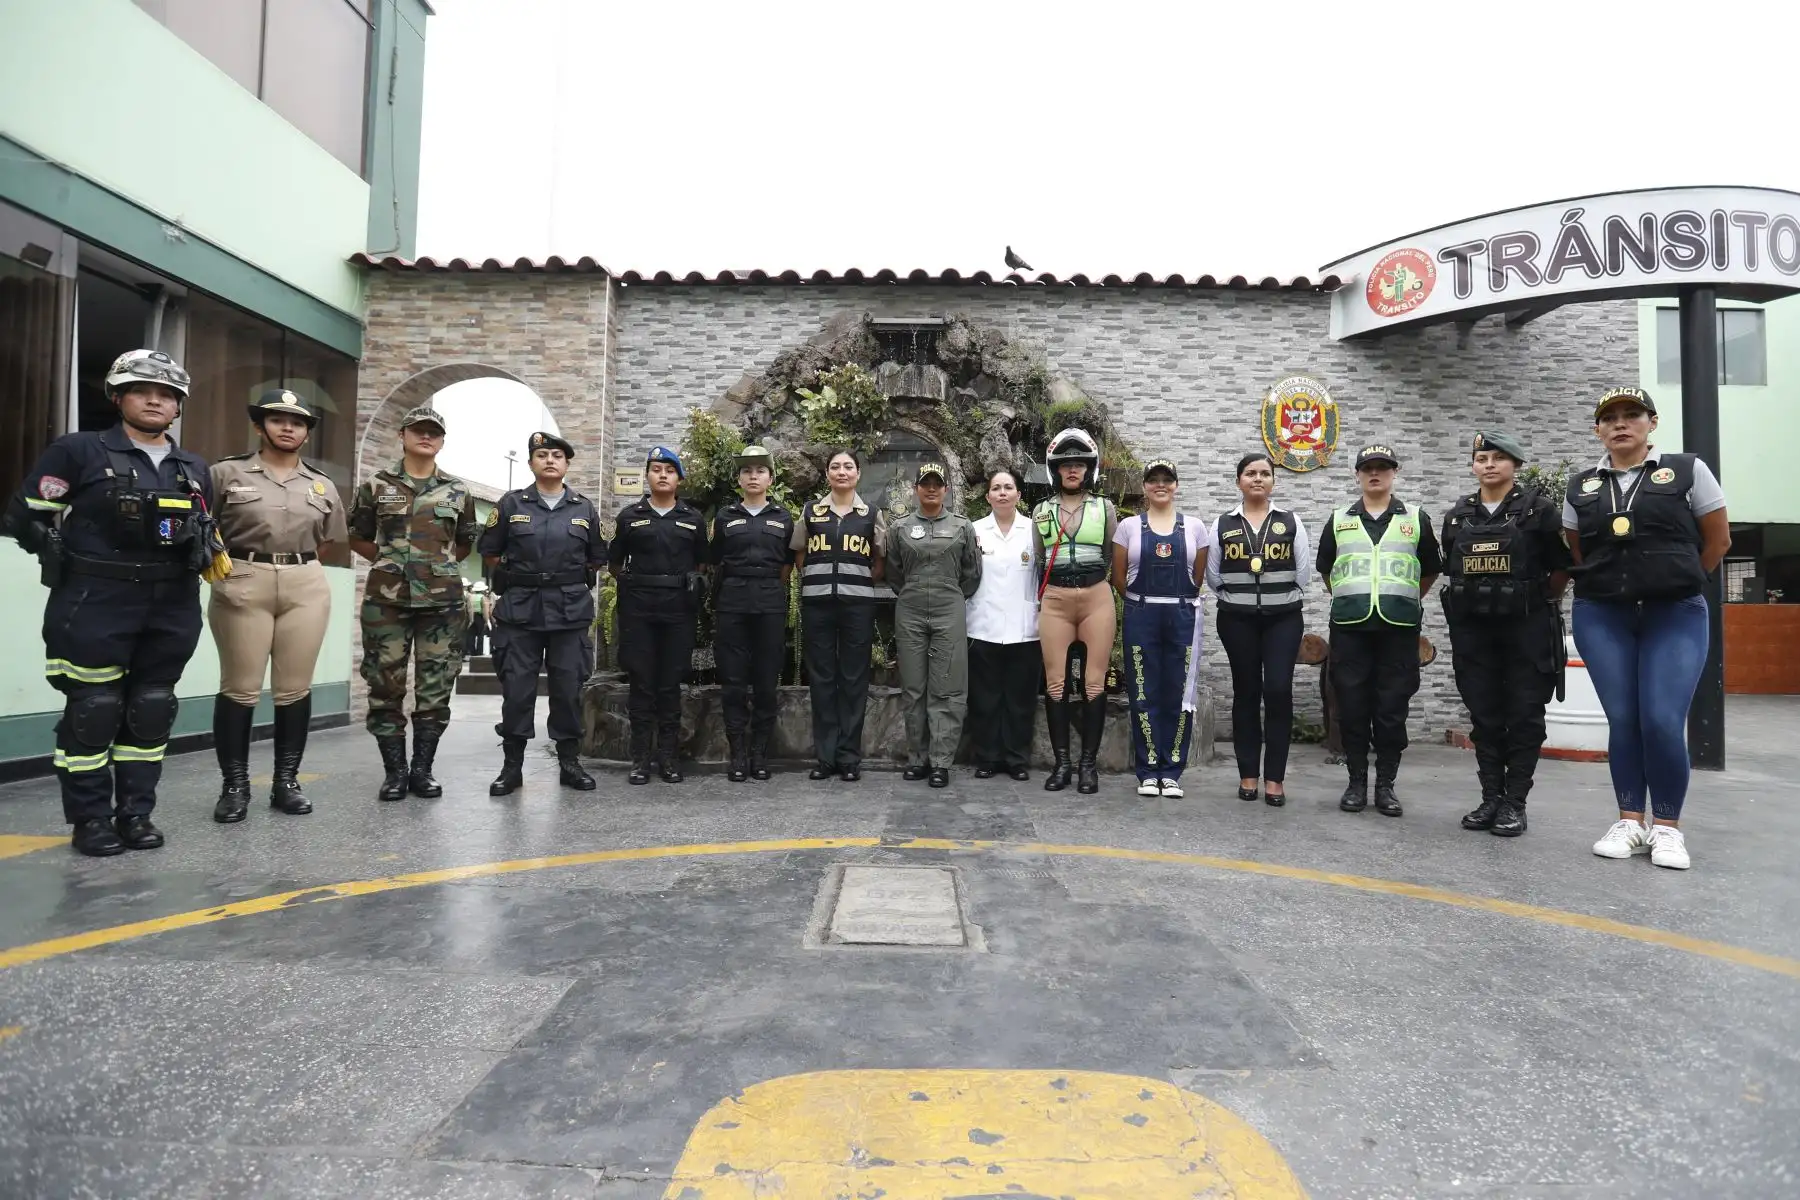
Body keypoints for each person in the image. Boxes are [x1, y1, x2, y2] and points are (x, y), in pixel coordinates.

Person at [1, 349, 218, 856]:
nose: (154, 400)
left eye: (166, 394)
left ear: (178, 406)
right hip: (95, 599)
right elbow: (24, 514)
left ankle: (136, 814)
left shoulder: (194, 468)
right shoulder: (79, 451)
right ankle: (90, 819)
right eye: (142, 390)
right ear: (118, 396)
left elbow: (202, 531)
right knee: (94, 709)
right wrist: (49, 545)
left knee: (151, 707)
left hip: (171, 603)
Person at [1566, 386, 1730, 870]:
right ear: (1597, 429)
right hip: (1603, 613)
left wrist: (1676, 580)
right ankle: (1629, 820)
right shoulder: (1582, 486)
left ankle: (1667, 829)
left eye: (1632, 415)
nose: (1621, 423)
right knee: (1624, 719)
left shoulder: (1686, 471)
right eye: (1610, 417)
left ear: (1651, 423)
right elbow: (1579, 552)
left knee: (1660, 719)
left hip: (1673, 612)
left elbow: (1718, 541)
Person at [207, 389, 347, 824]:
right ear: (259, 426)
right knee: (241, 687)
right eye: (277, 419)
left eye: (298, 422)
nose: (288, 427)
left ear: (306, 433)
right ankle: (235, 786)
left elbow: (327, 540)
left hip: (305, 582)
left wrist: (292, 568)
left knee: (294, 688)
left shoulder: (321, 485)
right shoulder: (224, 473)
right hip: (244, 579)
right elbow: (202, 526)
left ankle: (286, 782)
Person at [1439, 430, 1572, 837]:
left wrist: (1534, 600)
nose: (1489, 464)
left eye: (1498, 457)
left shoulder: (1539, 511)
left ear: (1515, 464)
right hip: (1475, 634)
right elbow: (1452, 570)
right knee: (1485, 716)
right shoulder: (1459, 515)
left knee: (1525, 715)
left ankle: (1515, 802)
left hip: (1526, 631)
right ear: (1473, 466)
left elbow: (1561, 568)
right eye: (1482, 458)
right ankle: (1490, 798)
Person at [347, 405, 477, 802]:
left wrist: (432, 567)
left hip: (442, 602)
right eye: (418, 430)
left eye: (433, 432)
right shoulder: (375, 484)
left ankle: (422, 770)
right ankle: (394, 772)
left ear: (441, 441)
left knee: (435, 685)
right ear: (402, 435)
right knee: (384, 682)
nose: (426, 437)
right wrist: (394, 564)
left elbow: (464, 541)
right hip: (386, 601)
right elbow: (359, 536)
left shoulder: (457, 491)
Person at [479, 431, 608, 796]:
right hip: (521, 609)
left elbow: (597, 556)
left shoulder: (583, 507)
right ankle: (512, 766)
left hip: (568, 611)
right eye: (542, 455)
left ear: (566, 464)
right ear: (532, 463)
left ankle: (569, 762)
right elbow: (490, 550)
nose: (549, 460)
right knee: (517, 690)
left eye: (557, 455)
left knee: (568, 689)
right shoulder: (510, 504)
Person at [1316, 444, 1441, 817]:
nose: (1375, 473)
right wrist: (1354, 597)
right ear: (1357, 475)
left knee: (1391, 710)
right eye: (1367, 468)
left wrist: (1405, 599)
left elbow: (1431, 568)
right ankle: (1356, 784)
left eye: (1382, 468)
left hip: (1398, 629)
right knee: (1351, 708)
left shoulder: (1416, 519)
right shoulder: (1339, 519)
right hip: (1351, 628)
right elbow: (1327, 570)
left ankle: (1385, 786)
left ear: (1394, 474)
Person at [1207, 452, 1311, 807]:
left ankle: (1276, 779)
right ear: (1239, 481)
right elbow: (1213, 576)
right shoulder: (1221, 524)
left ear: (1273, 482)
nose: (1257, 479)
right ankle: (1248, 774)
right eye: (1250, 473)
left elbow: (1304, 575)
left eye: (1265, 473)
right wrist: (1238, 598)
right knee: (1246, 692)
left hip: (1283, 618)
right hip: (1236, 620)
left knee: (1278, 689)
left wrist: (1275, 597)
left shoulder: (1291, 521)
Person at [610, 445, 708, 784]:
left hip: (678, 610)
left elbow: (701, 563)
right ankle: (640, 759)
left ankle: (667, 757)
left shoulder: (693, 519)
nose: (662, 474)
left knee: (670, 684)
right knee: (641, 683)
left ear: (679, 478)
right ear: (647, 476)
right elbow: (615, 563)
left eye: (669, 469)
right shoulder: (629, 516)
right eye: (656, 469)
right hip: (639, 610)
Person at [1032, 427, 1120, 794]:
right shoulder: (1041, 510)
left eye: (1080, 464)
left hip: (1096, 596)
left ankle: (1088, 766)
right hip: (1055, 599)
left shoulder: (1105, 508)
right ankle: (1062, 764)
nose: (1073, 470)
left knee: (1094, 682)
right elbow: (1037, 557)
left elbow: (1113, 554)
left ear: (1089, 469)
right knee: (1055, 683)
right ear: (1056, 469)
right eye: (1066, 464)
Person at [1112, 459, 1207, 798]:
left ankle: (1172, 772)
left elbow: (1198, 577)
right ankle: (1148, 769)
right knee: (1143, 692)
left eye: (1167, 479)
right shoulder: (1128, 527)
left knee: (1178, 694)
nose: (1161, 485)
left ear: (1176, 485)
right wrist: (1142, 603)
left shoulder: (1195, 527)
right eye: (1154, 480)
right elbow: (1119, 578)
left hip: (1181, 615)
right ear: (1145, 486)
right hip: (1142, 614)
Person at [793, 448, 887, 782]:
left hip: (857, 606)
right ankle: (826, 758)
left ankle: (848, 758)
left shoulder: (871, 513)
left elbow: (878, 561)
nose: (842, 471)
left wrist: (853, 582)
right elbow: (800, 556)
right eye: (835, 466)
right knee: (821, 679)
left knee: (852, 679)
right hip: (817, 605)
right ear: (827, 474)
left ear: (858, 474)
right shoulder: (810, 512)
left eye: (848, 466)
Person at [887, 462, 982, 787]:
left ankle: (941, 762)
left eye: (937, 484)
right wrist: (914, 592)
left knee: (948, 686)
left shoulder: (962, 527)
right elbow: (894, 572)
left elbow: (972, 573)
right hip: (910, 609)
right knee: (914, 688)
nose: (931, 489)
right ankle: (918, 759)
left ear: (946, 489)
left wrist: (950, 593)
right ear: (916, 489)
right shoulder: (898, 528)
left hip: (949, 609)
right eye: (925, 483)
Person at [711, 444, 795, 782]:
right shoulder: (725, 517)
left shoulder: (783, 517)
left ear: (770, 478)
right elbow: (714, 558)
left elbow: (788, 566)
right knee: (732, 683)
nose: (753, 476)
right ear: (739, 479)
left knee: (764, 683)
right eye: (747, 471)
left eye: (760, 471)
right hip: (732, 603)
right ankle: (738, 754)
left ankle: (759, 754)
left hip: (769, 605)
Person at [966, 468, 1040, 781]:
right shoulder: (974, 529)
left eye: (1008, 487)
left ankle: (1016, 759)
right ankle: (987, 757)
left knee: (1020, 699)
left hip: (1025, 627)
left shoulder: (1034, 529)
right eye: (996, 488)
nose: (1002, 493)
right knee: (985, 698)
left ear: (1019, 495)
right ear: (987, 496)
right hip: (982, 624)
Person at [466, 582, 491, 657]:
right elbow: (485, 610)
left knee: (471, 635)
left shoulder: (471, 597)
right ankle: (479, 651)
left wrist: (471, 620)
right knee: (481, 634)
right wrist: (486, 620)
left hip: (471, 616)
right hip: (480, 617)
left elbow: (469, 608)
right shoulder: (483, 598)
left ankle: (471, 651)